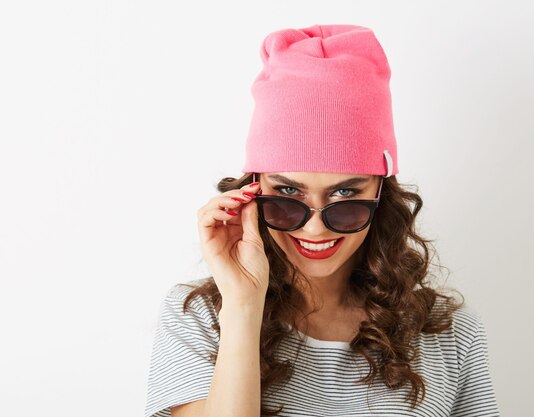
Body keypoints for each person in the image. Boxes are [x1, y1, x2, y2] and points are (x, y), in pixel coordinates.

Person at [144, 24, 500, 417]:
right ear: (253, 191)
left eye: (345, 195)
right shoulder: (200, 315)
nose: (314, 229)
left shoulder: (449, 333)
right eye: (288, 195)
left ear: (381, 195)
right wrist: (244, 305)